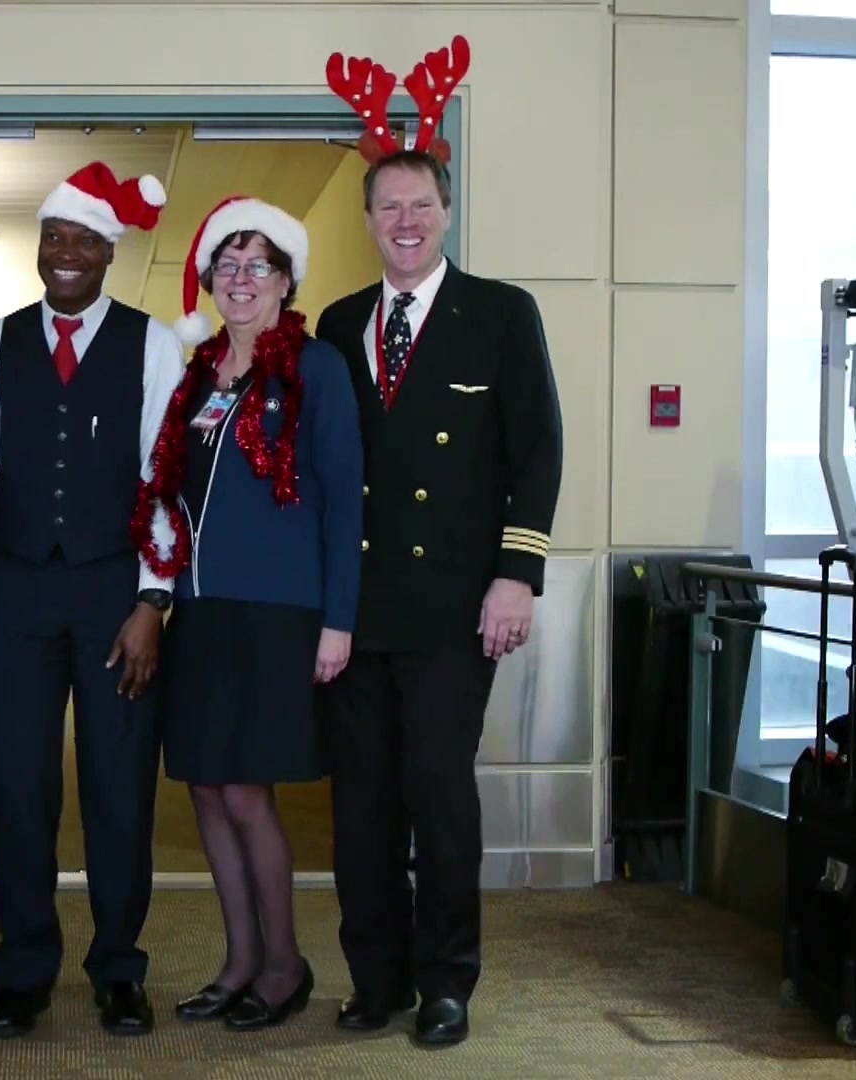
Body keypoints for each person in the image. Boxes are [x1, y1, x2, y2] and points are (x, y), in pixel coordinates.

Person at [313, 125, 564, 1047]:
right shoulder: (341, 324)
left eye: (423, 205)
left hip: (457, 609)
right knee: (362, 805)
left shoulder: (500, 313)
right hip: (358, 611)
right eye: (390, 208)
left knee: (438, 793)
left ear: (447, 212)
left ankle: (447, 980)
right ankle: (374, 978)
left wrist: (518, 574)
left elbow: (538, 452)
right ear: (370, 221)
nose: (407, 222)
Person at [0, 161, 184, 1039]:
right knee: (17, 784)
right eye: (54, 236)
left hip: (111, 590)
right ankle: (21, 970)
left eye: (84, 239)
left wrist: (153, 601)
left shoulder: (152, 342)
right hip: (14, 591)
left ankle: (119, 969)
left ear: (108, 253)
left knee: (120, 785)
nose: (66, 252)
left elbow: (162, 478)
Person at [135, 197, 363, 1030]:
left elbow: (343, 503)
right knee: (202, 783)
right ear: (208, 281)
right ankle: (237, 959)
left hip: (280, 611)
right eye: (226, 265)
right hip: (201, 610)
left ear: (285, 279)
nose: (240, 279)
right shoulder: (195, 376)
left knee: (246, 791)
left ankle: (284, 964)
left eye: (257, 265)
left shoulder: (316, 368)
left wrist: (339, 620)